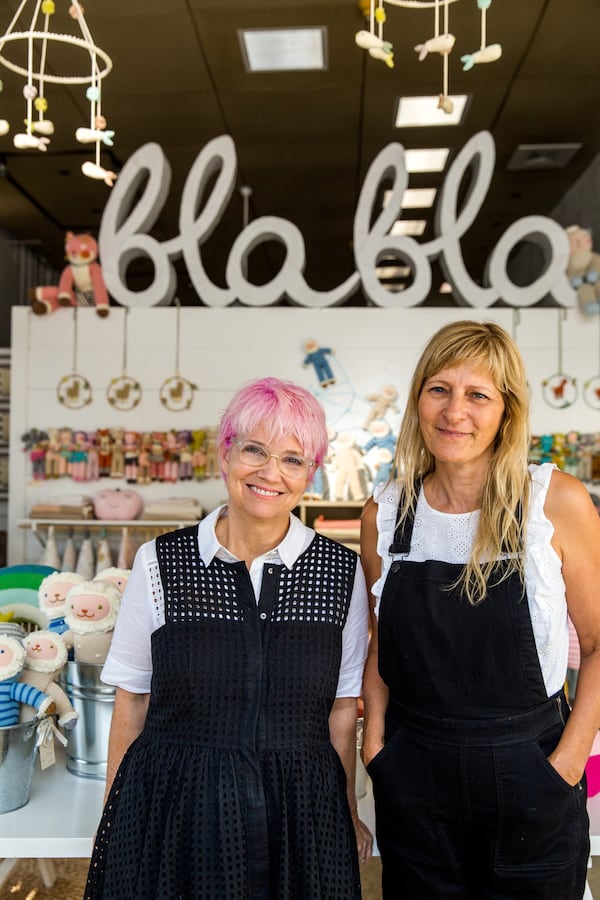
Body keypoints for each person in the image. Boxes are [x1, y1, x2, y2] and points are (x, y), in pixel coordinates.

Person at [84, 376, 372, 900]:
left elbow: (341, 706)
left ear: (311, 473)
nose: (270, 472)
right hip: (177, 809)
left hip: (303, 814)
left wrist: (348, 813)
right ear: (225, 454)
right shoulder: (160, 562)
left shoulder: (341, 571)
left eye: (293, 459)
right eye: (254, 450)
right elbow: (132, 698)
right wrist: (116, 817)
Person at [360, 319, 600, 899]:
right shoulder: (385, 514)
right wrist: (378, 752)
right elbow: (379, 641)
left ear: (507, 410)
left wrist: (566, 764)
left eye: (478, 395)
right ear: (418, 397)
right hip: (414, 776)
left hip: (530, 770)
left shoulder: (554, 501)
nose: (454, 412)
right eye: (439, 388)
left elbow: (597, 644)